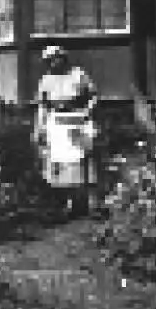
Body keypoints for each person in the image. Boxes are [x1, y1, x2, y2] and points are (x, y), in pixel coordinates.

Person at [34, 44, 99, 217]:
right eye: (49, 60)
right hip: (57, 122)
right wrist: (40, 127)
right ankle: (67, 203)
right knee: (61, 162)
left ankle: (90, 203)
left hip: (78, 119)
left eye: (56, 59)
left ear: (63, 58)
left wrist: (87, 111)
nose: (53, 63)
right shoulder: (46, 80)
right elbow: (42, 105)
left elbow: (93, 96)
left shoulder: (78, 74)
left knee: (83, 160)